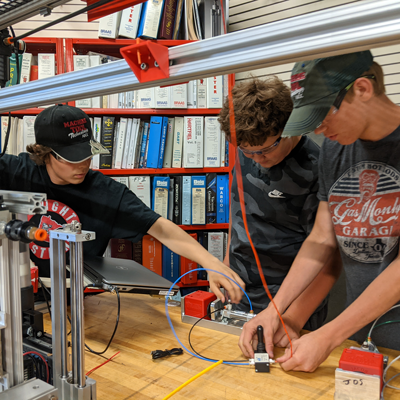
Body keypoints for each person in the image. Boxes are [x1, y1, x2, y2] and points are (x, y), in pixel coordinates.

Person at [239, 50, 400, 372]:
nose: (320, 129)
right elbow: (323, 238)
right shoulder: (336, 147)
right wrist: (276, 311)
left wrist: (328, 335)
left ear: (362, 89)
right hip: (365, 334)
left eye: (323, 116)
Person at [0, 104, 244, 303]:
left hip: (70, 302)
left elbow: (161, 229)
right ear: (45, 153)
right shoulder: (18, 171)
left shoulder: (106, 192)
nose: (83, 164)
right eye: (72, 158)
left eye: (87, 154)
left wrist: (212, 263)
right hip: (11, 295)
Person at [218, 77, 340, 342]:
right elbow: (239, 210)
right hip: (241, 292)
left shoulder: (319, 168)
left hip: (290, 302)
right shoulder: (248, 147)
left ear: (290, 128)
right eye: (247, 152)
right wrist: (227, 265)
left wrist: (292, 319)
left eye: (265, 150)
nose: (256, 159)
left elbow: (329, 257)